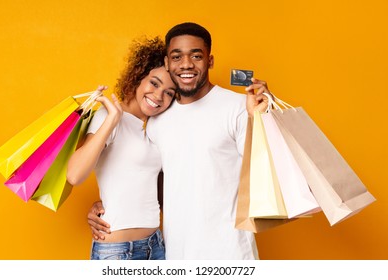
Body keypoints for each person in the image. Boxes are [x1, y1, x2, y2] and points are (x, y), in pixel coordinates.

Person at [88, 22, 270, 259]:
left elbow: (266, 175)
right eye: (177, 57)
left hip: (231, 253)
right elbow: (151, 178)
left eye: (196, 56)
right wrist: (104, 207)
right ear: (166, 63)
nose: (186, 64)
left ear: (210, 61)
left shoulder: (239, 107)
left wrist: (262, 118)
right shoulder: (157, 118)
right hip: (174, 253)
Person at [67, 36, 177, 260]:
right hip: (118, 251)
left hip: (156, 245)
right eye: (154, 83)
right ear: (139, 76)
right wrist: (111, 120)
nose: (158, 96)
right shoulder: (109, 115)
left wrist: (102, 203)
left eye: (169, 93)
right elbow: (75, 174)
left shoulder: (153, 128)